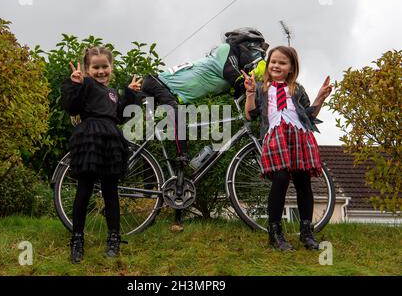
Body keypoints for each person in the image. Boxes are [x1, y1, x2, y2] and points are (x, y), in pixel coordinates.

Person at [243, 45, 333, 251]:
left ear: (291, 68)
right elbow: (251, 115)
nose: (276, 65)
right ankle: (275, 233)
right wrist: (249, 93)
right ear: (268, 64)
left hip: (299, 134)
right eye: (273, 61)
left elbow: (309, 114)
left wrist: (320, 98)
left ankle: (306, 232)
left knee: (303, 180)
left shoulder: (297, 89)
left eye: (282, 63)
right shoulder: (261, 87)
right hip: (275, 134)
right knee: (281, 177)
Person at [61, 46, 142, 263]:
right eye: (95, 67)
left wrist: (131, 93)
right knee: (84, 189)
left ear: (111, 67)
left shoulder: (114, 93)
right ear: (87, 69)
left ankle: (114, 238)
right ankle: (77, 239)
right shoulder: (85, 84)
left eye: (104, 66)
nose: (100, 71)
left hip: (112, 141)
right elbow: (72, 107)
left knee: (111, 191)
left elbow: (122, 115)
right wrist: (76, 84)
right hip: (90, 138)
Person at [140, 27, 269, 162]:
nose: (256, 58)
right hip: (157, 83)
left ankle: (157, 179)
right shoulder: (225, 51)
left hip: (165, 88)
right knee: (177, 113)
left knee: (151, 139)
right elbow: (235, 77)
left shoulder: (234, 68)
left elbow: (239, 91)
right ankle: (182, 156)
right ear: (243, 46)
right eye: (255, 52)